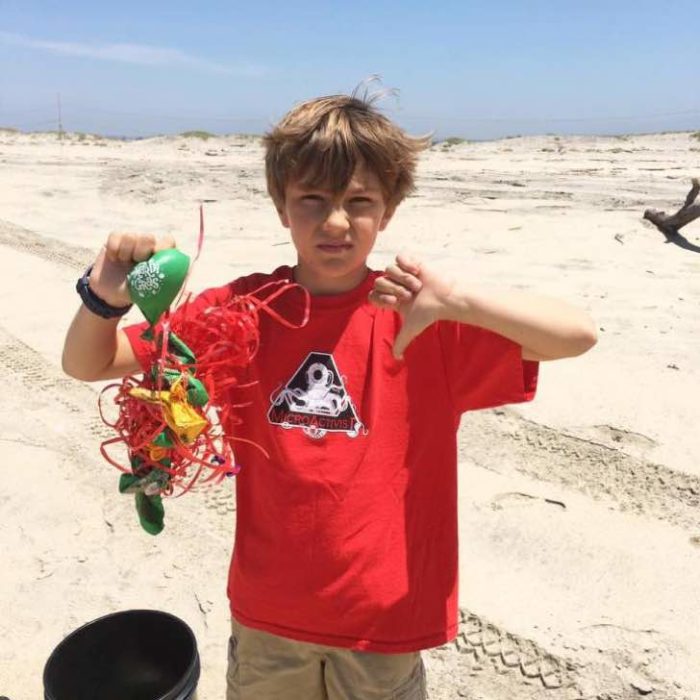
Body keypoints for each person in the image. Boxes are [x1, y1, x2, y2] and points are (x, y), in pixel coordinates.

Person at [62, 90, 597, 700]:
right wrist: (104, 295)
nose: (335, 221)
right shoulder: (241, 314)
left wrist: (460, 302)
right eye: (312, 199)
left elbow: (577, 335)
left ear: (388, 210)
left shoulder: (420, 318)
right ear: (281, 206)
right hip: (269, 615)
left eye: (359, 201)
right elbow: (90, 361)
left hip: (383, 620)